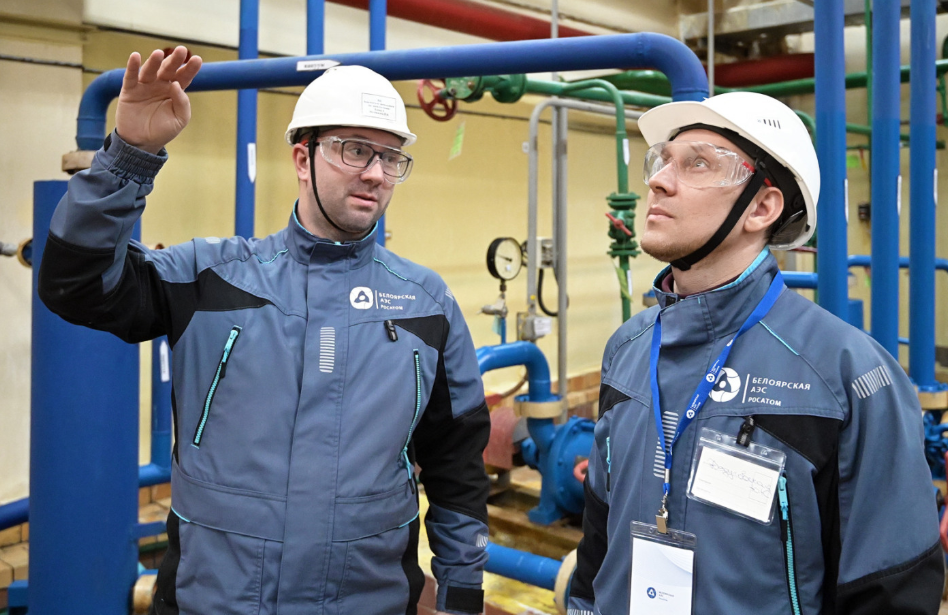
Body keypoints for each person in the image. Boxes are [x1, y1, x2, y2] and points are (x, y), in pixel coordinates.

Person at [39, 47, 490, 615]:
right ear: (303, 158)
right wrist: (130, 157)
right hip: (211, 602)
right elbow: (74, 284)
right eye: (356, 150)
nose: (376, 173)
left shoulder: (427, 304)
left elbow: (457, 466)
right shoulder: (208, 278)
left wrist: (461, 595)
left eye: (391, 157)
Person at [568, 92, 943, 615]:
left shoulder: (847, 375)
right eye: (664, 160)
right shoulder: (627, 348)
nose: (659, 181)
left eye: (698, 163)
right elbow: (597, 540)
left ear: (762, 208)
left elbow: (890, 592)